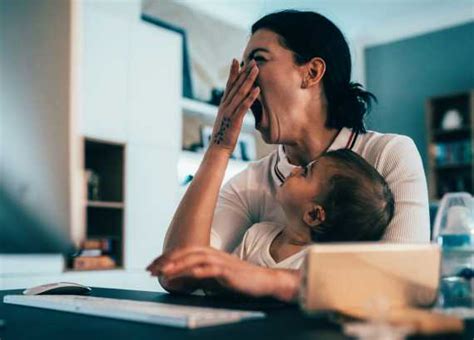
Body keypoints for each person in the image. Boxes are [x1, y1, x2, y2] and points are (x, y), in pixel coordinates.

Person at [147, 10, 429, 302]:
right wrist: (219, 147)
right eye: (242, 66)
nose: (242, 78)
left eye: (257, 60)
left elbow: (405, 282)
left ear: (311, 72)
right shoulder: (251, 183)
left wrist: (269, 280)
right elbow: (176, 274)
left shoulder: (390, 154)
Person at [233, 149, 395, 269]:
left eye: (304, 173)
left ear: (313, 215)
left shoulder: (320, 267)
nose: (294, 170)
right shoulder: (256, 235)